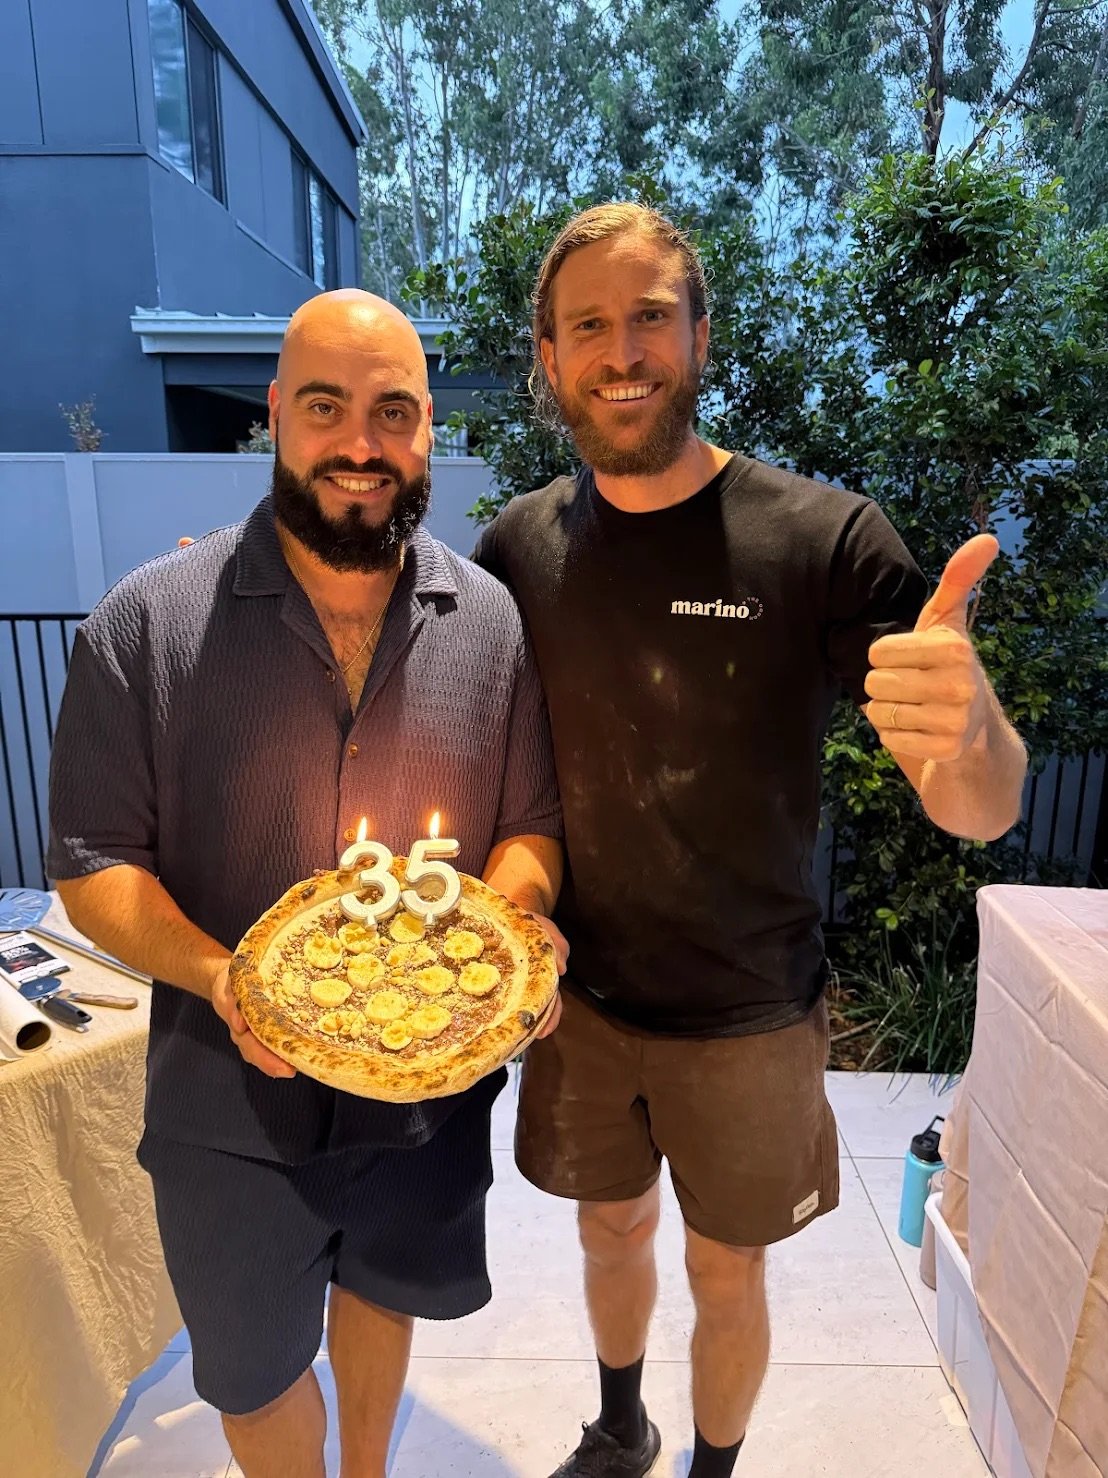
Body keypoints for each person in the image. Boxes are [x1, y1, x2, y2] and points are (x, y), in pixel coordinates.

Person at [473, 203, 1027, 1478]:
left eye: (650, 317)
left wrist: (970, 726)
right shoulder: (514, 548)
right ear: (551, 360)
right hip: (579, 998)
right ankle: (619, 1425)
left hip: (750, 1011)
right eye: (589, 326)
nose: (623, 351)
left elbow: (977, 802)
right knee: (610, 1234)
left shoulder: (820, 539)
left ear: (701, 338)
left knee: (728, 1267)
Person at [46, 289, 565, 1478]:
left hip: (428, 1087)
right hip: (228, 1097)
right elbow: (90, 863)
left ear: (428, 426)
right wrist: (223, 971)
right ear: (275, 415)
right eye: (325, 406)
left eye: (393, 411)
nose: (360, 444)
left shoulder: (489, 621)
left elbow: (529, 828)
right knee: (253, 1365)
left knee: (384, 1293)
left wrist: (515, 937)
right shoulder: (144, 626)